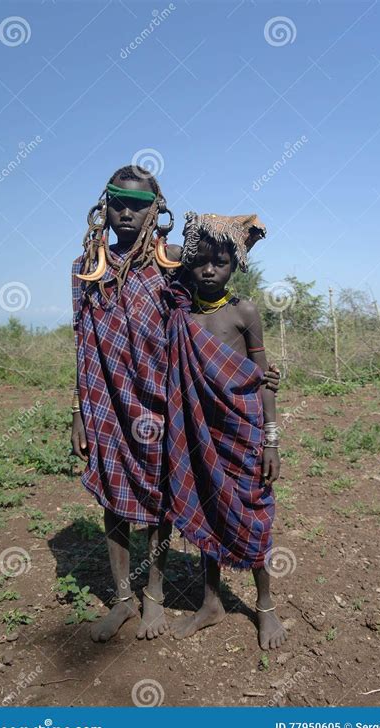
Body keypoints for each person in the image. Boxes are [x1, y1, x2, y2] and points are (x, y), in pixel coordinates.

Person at [71, 171, 281, 643]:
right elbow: (81, 341)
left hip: (165, 401)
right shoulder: (86, 268)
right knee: (113, 494)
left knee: (166, 496)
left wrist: (246, 228)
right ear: (104, 207)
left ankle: (154, 596)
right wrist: (79, 410)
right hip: (107, 399)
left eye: (138, 204)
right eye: (117, 202)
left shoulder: (172, 265)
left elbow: (217, 257)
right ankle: (123, 599)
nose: (126, 212)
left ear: (155, 209)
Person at [163, 212, 288, 650]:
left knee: (252, 514)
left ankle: (266, 605)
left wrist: (271, 439)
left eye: (221, 262)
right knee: (206, 511)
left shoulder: (244, 312)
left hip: (244, 431)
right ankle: (211, 602)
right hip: (200, 434)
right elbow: (172, 255)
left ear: (236, 265)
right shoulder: (181, 313)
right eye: (201, 262)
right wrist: (207, 232)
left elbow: (259, 376)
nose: (210, 270)